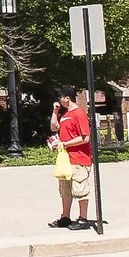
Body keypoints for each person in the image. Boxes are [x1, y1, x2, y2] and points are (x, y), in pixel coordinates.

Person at [50, 91, 94, 230]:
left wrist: (65, 144)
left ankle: (83, 219)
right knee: (65, 189)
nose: (59, 101)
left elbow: (85, 137)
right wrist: (55, 112)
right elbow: (53, 127)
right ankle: (65, 216)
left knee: (80, 188)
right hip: (65, 159)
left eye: (60, 98)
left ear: (67, 98)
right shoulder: (64, 115)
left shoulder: (79, 113)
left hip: (79, 157)